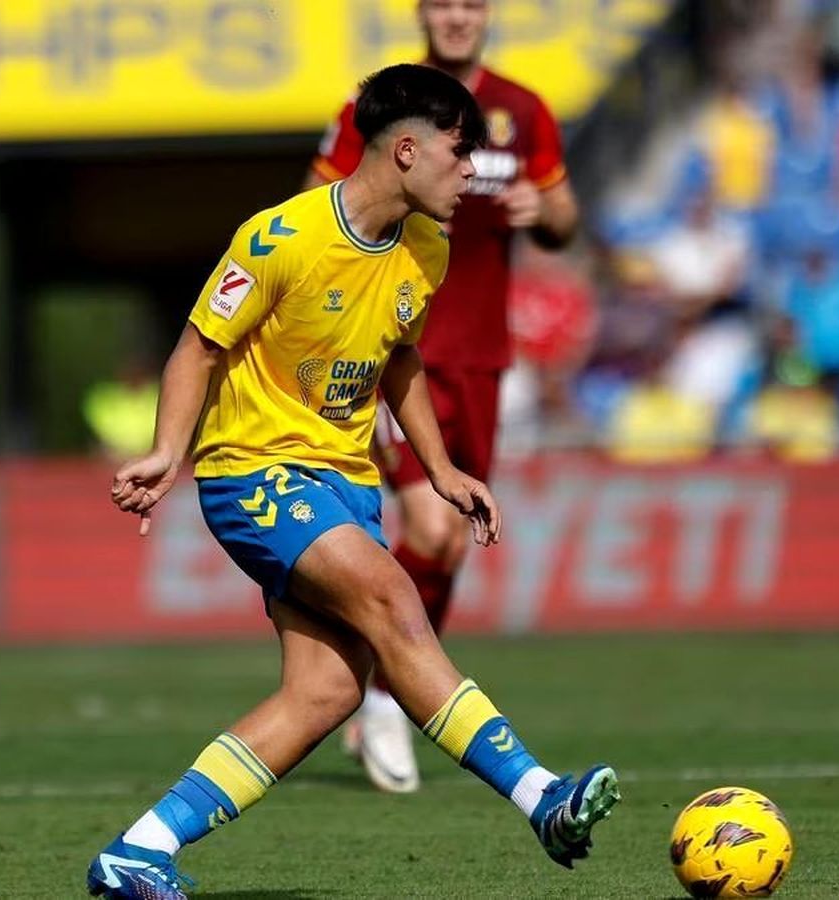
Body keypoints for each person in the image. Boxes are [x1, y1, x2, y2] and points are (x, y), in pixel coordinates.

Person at [90, 65, 618, 900]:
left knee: (326, 691)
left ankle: (138, 851)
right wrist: (167, 452)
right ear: (405, 150)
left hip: (347, 483)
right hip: (255, 473)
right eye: (458, 153)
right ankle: (540, 795)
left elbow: (398, 357)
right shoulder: (279, 238)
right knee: (395, 601)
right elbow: (199, 346)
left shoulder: (427, 247)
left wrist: (441, 469)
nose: (471, 173)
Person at [305, 0, 579, 793]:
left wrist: (545, 208)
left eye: (471, 4)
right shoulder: (385, 109)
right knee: (428, 520)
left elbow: (564, 217)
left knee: (455, 535)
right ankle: (380, 693)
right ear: (423, 13)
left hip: (483, 357)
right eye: (443, 4)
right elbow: (320, 207)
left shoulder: (522, 111)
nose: (457, 18)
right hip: (394, 354)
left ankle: (383, 688)